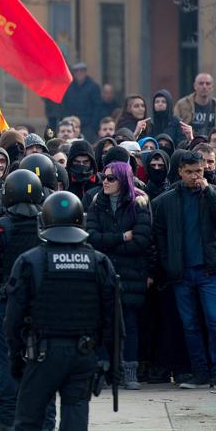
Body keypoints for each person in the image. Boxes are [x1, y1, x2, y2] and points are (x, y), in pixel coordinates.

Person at [5, 191, 119, 431]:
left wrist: (15, 356)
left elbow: (13, 318)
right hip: (83, 352)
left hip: (42, 353)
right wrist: (109, 358)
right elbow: (113, 319)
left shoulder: (30, 261)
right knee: (76, 415)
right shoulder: (99, 261)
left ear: (43, 222)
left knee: (28, 420)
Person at [0, 169, 52, 431]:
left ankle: (6, 420)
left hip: (9, 302)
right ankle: (46, 420)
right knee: (43, 363)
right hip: (44, 304)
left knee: (8, 362)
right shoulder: (47, 224)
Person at [150, 150, 216, 389]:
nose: (194, 176)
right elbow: (158, 236)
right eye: (189, 172)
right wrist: (168, 264)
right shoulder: (166, 201)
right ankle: (200, 372)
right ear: (179, 172)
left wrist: (208, 191)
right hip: (181, 272)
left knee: (214, 321)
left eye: (198, 171)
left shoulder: (215, 192)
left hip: (209, 271)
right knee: (189, 324)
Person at [85, 161, 152, 391]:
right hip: (103, 273)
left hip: (130, 274)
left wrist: (109, 242)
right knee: (102, 323)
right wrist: (122, 237)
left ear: (123, 180)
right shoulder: (96, 203)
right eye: (104, 176)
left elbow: (142, 240)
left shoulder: (139, 203)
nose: (105, 181)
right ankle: (103, 368)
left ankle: (129, 371)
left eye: (111, 178)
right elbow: (91, 238)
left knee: (130, 324)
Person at [174, 73, 216, 140]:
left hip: (213, 145)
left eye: (208, 84)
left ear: (212, 87)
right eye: (201, 83)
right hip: (189, 144)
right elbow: (175, 127)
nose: (204, 86)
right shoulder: (182, 105)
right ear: (195, 86)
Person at [60, 63, 102, 140]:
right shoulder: (69, 87)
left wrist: (93, 124)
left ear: (85, 72)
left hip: (87, 125)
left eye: (81, 71)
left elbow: (98, 107)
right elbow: (64, 105)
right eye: (76, 71)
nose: (79, 73)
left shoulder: (93, 87)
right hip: (70, 124)